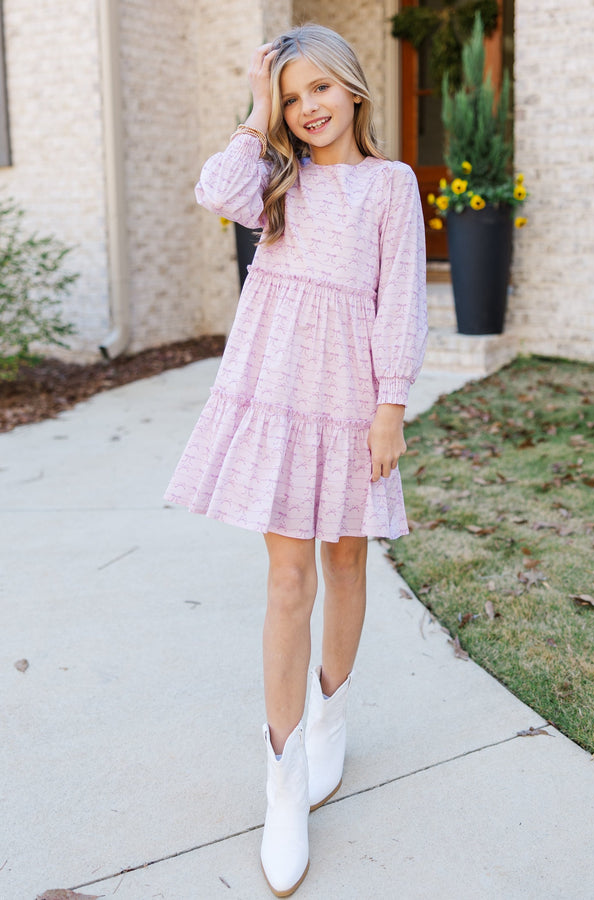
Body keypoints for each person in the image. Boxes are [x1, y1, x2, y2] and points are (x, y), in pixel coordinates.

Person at [165, 23, 427, 897]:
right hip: (278, 390)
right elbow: (213, 189)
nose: (307, 108)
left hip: (353, 399)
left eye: (319, 88)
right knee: (287, 580)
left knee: (346, 560)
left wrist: (391, 407)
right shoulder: (276, 179)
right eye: (290, 96)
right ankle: (282, 783)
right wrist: (254, 107)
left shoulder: (390, 184)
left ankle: (330, 720)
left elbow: (402, 303)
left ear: (353, 88)